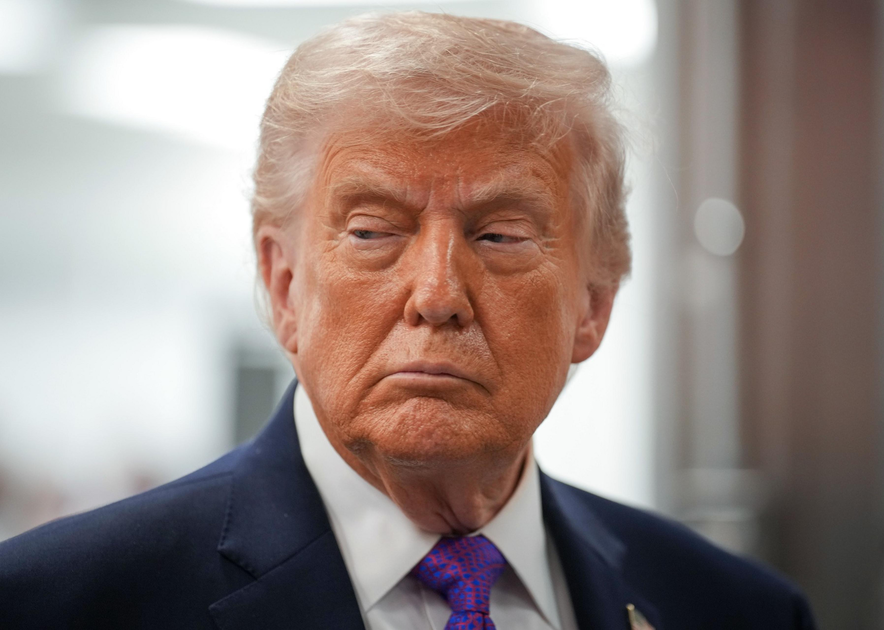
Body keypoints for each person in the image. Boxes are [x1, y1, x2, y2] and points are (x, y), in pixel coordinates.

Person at [0, 12, 817, 630]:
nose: (436, 294)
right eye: (372, 232)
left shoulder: (731, 608)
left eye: (499, 235)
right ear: (284, 287)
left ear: (592, 305)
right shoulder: (53, 603)